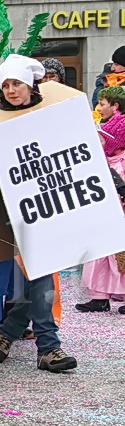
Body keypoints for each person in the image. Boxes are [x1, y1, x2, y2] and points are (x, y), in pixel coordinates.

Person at [0, 54, 77, 373]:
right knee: (31, 277)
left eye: (16, 84)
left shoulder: (51, 116)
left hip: (46, 209)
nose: (10, 90)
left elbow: (73, 157)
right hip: (11, 215)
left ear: (31, 86)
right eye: (5, 84)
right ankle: (31, 341)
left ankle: (42, 345)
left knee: (37, 274)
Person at [76, 89, 125, 313]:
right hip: (106, 177)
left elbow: (103, 148)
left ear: (115, 106)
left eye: (102, 102)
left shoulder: (118, 125)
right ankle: (99, 295)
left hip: (118, 174)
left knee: (117, 245)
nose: (98, 106)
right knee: (100, 243)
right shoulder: (103, 125)